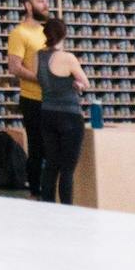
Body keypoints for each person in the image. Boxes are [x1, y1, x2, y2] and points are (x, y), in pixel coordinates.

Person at [36, 16, 90, 205]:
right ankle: (67, 210)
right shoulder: (68, 58)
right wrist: (76, 84)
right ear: (64, 34)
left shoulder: (39, 56)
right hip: (69, 116)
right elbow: (85, 82)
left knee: (51, 164)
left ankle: (47, 206)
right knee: (67, 169)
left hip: (47, 114)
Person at [6, 0, 49, 198]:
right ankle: (36, 191)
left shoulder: (48, 31)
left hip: (53, 99)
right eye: (41, 1)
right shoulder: (19, 33)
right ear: (28, 6)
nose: (46, 5)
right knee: (38, 147)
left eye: (46, 1)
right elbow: (14, 67)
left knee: (54, 148)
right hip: (33, 99)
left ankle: (51, 188)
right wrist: (42, 79)